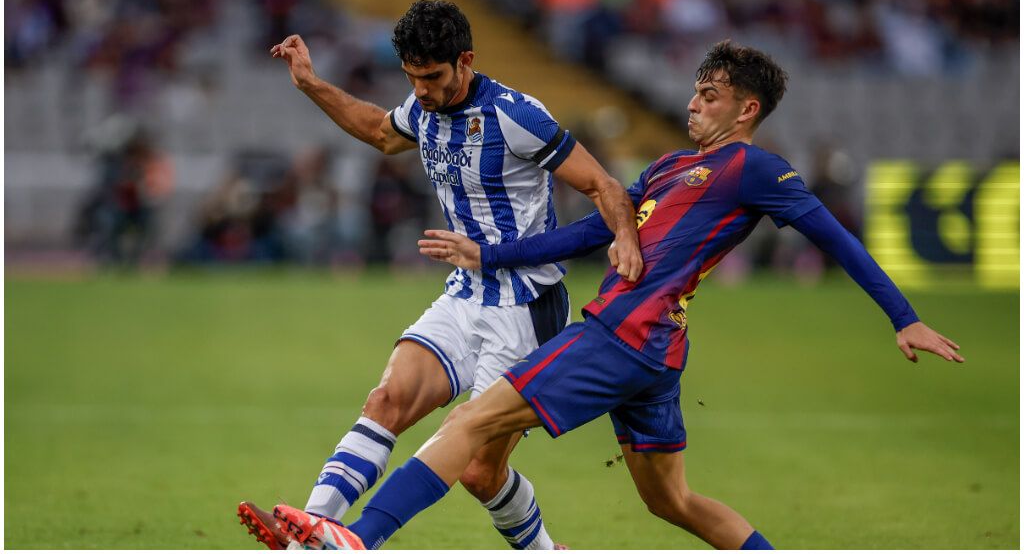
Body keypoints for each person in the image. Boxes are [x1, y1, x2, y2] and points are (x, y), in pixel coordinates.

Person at [263, 40, 964, 550]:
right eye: (694, 90)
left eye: (710, 95)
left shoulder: (756, 169)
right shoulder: (670, 167)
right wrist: (491, 252)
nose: (693, 102)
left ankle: (355, 540)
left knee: (469, 427)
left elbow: (834, 237)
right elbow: (585, 233)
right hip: (655, 354)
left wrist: (905, 318)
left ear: (747, 109)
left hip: (620, 336)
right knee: (673, 501)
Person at [237, 0, 642, 550]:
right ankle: (310, 532)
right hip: (464, 295)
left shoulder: (514, 115)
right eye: (412, 77)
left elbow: (603, 186)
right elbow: (380, 131)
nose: (422, 90)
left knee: (480, 471)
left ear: (465, 60)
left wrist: (625, 240)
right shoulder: (423, 108)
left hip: (526, 310)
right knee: (387, 401)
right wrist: (311, 83)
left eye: (431, 77)